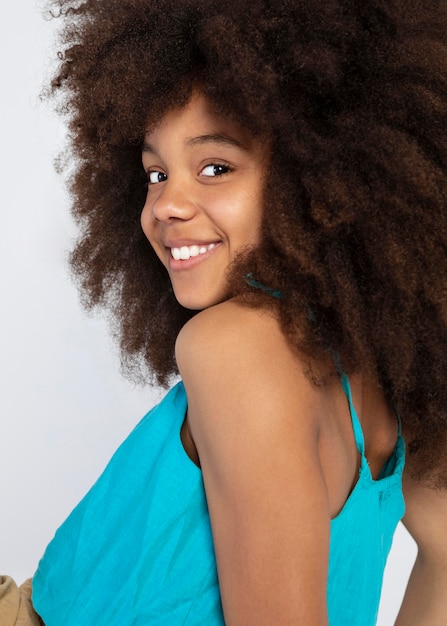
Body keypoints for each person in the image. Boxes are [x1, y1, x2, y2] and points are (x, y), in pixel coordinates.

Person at [2, 0, 447, 623]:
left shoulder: (233, 345)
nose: (166, 205)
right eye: (155, 173)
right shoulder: (380, 380)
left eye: (215, 167)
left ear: (314, 179)